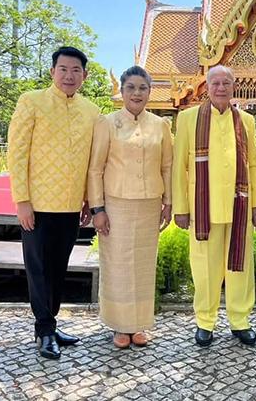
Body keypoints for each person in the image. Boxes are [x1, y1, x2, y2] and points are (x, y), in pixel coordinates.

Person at [7, 46, 100, 360]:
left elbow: (92, 161)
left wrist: (89, 198)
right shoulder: (31, 102)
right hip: (38, 205)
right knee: (38, 269)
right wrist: (22, 200)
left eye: (76, 70)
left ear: (85, 76)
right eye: (63, 69)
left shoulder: (91, 111)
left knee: (59, 269)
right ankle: (44, 329)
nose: (69, 76)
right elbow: (17, 154)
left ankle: (51, 322)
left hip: (71, 205)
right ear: (52, 72)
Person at [172, 65, 256, 347]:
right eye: (216, 82)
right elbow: (180, 166)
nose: (221, 87)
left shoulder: (246, 120)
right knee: (205, 267)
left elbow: (252, 165)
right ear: (207, 86)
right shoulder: (189, 118)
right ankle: (205, 321)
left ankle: (240, 320)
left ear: (233, 86)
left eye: (227, 82)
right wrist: (180, 207)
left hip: (239, 205)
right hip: (204, 207)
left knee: (240, 266)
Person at [87, 65, 173, 349]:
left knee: (143, 264)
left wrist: (168, 201)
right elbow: (95, 168)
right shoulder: (107, 123)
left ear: (150, 92)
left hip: (149, 203)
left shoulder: (161, 125)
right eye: (131, 88)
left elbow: (167, 166)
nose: (137, 93)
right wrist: (98, 209)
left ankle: (138, 325)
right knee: (118, 264)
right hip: (116, 203)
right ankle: (119, 326)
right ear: (121, 91)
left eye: (143, 88)